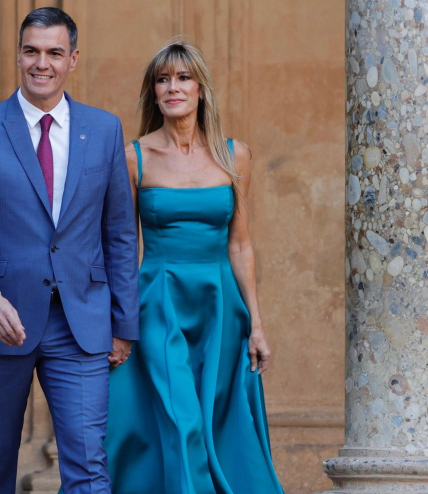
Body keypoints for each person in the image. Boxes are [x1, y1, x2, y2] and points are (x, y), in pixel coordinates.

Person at [0, 6, 139, 493]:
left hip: (82, 322)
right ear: (18, 55)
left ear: (73, 59)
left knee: (90, 464)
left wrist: (123, 324)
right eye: (31, 51)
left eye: (54, 52)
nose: (41, 63)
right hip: (2, 319)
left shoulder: (106, 129)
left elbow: (119, 233)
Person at [103, 41, 284, 493]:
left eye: (183, 78)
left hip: (221, 306)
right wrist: (118, 322)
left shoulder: (233, 154)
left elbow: (240, 244)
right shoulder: (132, 157)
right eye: (163, 80)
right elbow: (122, 248)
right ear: (153, 92)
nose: (173, 87)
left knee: (216, 428)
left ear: (201, 89)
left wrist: (256, 324)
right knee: (180, 419)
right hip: (159, 302)